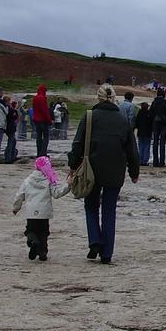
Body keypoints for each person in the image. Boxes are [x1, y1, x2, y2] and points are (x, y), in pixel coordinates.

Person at [68, 84, 140, 265]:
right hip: (115, 172)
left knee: (91, 206)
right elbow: (132, 149)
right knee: (109, 210)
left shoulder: (90, 116)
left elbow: (78, 144)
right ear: (114, 97)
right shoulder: (123, 120)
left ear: (98, 97)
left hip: (92, 170)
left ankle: (94, 241)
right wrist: (134, 172)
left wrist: (73, 165)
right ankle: (107, 253)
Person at [13, 156, 70, 261]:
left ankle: (33, 242)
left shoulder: (28, 180)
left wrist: (16, 207)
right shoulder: (49, 180)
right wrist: (69, 185)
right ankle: (43, 252)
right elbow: (57, 193)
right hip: (44, 212)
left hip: (31, 212)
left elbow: (20, 195)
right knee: (44, 232)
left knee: (30, 231)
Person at [148, 88, 166, 167]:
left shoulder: (154, 102)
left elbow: (150, 114)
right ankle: (162, 162)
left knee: (155, 142)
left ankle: (155, 162)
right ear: (164, 94)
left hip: (155, 123)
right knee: (162, 143)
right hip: (164, 124)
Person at [32, 84, 53, 157]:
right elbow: (45, 111)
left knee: (38, 137)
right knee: (46, 137)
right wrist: (49, 120)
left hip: (36, 120)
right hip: (43, 120)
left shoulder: (35, 98)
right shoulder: (42, 98)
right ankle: (43, 153)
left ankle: (39, 152)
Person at [134, 102, 153, 166]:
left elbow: (136, 123)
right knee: (147, 146)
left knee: (140, 146)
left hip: (140, 132)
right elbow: (151, 123)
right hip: (148, 132)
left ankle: (140, 160)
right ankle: (145, 161)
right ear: (147, 107)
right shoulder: (149, 113)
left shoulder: (139, 113)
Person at [4, 97, 19, 163]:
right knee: (11, 142)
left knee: (13, 141)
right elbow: (13, 116)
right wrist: (15, 112)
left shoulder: (5, 108)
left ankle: (11, 156)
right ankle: (9, 157)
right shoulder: (9, 108)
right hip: (10, 127)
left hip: (8, 127)